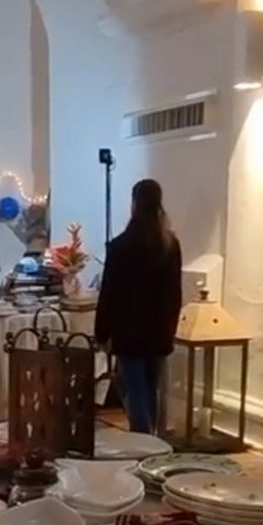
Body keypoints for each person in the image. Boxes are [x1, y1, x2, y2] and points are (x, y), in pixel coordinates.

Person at [96, 179, 184, 434]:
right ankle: (152, 438)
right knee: (151, 389)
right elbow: (175, 292)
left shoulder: (120, 246)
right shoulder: (170, 245)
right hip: (159, 328)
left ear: (134, 203)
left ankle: (143, 437)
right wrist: (171, 326)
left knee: (134, 389)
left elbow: (109, 293)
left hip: (129, 330)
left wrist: (101, 332)